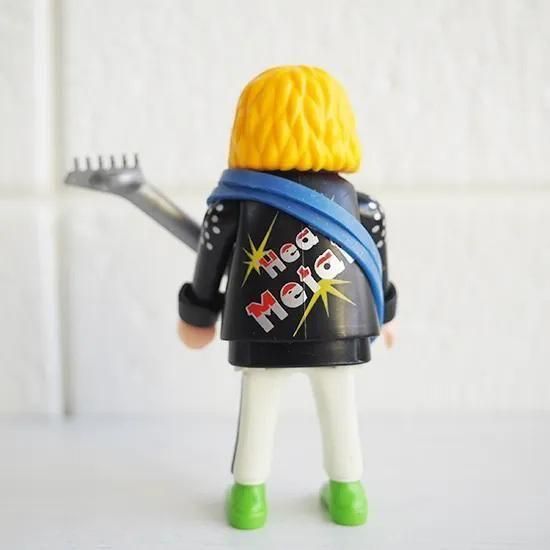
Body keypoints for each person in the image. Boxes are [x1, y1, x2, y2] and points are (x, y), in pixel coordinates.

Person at [178, 65, 397, 529]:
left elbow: (210, 259)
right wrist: (387, 311)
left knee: (258, 407)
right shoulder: (361, 205)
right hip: (340, 329)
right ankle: (348, 494)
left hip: (261, 326)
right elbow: (376, 261)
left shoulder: (233, 203)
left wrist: (198, 313)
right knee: (340, 406)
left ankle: (248, 500)